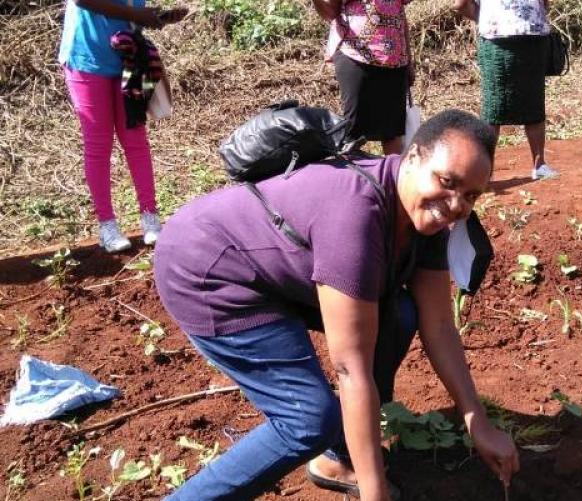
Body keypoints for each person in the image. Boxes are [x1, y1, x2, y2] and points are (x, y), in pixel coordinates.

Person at [154, 110, 520, 501]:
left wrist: (477, 423)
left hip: (280, 267)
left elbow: (440, 327)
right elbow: (350, 368)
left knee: (399, 315)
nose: (454, 205)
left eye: (470, 196)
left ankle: (338, 459)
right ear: (411, 157)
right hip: (208, 271)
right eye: (447, 182)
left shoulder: (426, 219)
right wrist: (374, 492)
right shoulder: (356, 213)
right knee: (309, 418)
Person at [58, 0, 186, 252]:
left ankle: (150, 218)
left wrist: (156, 17)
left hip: (128, 56)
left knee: (135, 139)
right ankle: (107, 225)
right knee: (98, 144)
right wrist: (135, 14)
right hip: (87, 58)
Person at [453, 0, 559, 181]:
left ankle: (488, 172)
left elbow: (461, 5)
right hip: (526, 36)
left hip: (506, 38)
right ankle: (538, 165)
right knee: (527, 103)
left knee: (497, 107)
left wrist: (489, 18)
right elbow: (460, 4)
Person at [313, 0, 414, 155]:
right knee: (352, 132)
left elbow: (400, 11)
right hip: (356, 56)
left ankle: (391, 177)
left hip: (395, 59)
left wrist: (409, 60)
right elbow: (331, 13)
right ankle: (355, 177)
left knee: (392, 133)